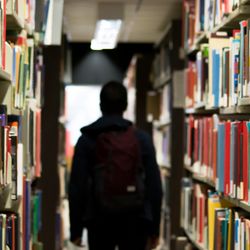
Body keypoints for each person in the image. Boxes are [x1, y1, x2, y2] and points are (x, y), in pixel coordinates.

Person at [69, 80, 162, 250]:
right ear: (125, 105)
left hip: (98, 220)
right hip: (135, 219)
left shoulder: (87, 140)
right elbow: (155, 186)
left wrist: (75, 229)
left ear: (100, 105)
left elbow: (77, 186)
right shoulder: (141, 139)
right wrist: (154, 229)